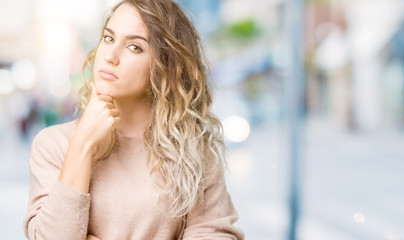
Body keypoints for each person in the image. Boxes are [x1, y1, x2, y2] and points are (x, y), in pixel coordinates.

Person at [23, 0, 244, 239]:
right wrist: (82, 144)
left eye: (134, 47)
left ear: (165, 66)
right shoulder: (52, 145)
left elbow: (213, 234)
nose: (111, 56)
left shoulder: (195, 152)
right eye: (109, 38)